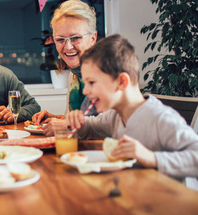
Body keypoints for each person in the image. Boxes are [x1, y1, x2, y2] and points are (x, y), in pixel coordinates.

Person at [65, 34, 198, 182]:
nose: (85, 91)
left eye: (92, 82)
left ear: (121, 82)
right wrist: (76, 122)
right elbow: (90, 126)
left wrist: (152, 158)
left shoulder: (160, 118)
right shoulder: (114, 115)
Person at [31, 0, 98, 135]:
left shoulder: (107, 73)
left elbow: (114, 125)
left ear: (93, 38)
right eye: (60, 39)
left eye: (75, 38)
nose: (67, 47)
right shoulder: (74, 74)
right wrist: (56, 118)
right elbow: (83, 120)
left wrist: (67, 126)